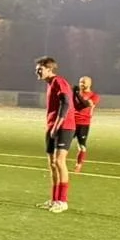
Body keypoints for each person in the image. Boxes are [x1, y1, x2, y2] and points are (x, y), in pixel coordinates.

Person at [36, 55, 75, 212]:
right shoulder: (49, 84)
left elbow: (66, 103)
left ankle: (63, 201)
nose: (37, 72)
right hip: (52, 126)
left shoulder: (59, 82)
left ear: (49, 69)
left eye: (40, 69)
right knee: (52, 164)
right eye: (37, 69)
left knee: (59, 162)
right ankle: (54, 200)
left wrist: (57, 125)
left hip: (64, 127)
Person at [73, 75, 100, 171]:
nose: (81, 84)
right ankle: (58, 162)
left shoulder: (94, 96)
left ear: (89, 84)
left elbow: (84, 105)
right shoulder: (75, 94)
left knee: (82, 146)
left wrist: (76, 95)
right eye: (80, 82)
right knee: (63, 144)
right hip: (71, 122)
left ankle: (79, 164)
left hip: (83, 124)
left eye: (84, 82)